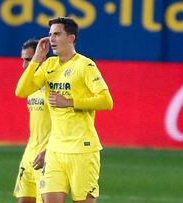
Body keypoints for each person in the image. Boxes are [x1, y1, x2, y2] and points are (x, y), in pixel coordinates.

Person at [15, 17, 113, 203]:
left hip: (82, 150)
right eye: (50, 34)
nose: (51, 39)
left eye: (57, 34)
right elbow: (21, 91)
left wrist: (70, 102)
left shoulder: (85, 65)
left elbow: (106, 101)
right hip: (54, 151)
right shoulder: (49, 66)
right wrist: (36, 59)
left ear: (71, 38)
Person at [13, 39, 51, 203]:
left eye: (28, 59)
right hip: (29, 154)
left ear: (42, 56)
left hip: (47, 156)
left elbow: (65, 123)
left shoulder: (55, 86)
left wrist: (48, 152)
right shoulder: (31, 87)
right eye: (23, 59)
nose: (24, 65)